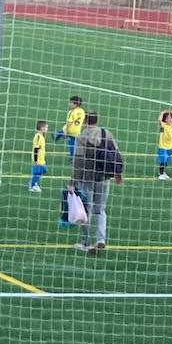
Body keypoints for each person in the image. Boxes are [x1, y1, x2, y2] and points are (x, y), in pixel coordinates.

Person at [72, 110, 123, 255]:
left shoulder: (82, 137)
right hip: (104, 176)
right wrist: (118, 173)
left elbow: (78, 161)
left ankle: (85, 241)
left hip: (87, 177)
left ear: (85, 121)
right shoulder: (106, 133)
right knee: (100, 210)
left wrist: (73, 181)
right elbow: (116, 154)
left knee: (86, 209)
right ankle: (101, 238)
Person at [56, 95, 85, 161]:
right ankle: (58, 134)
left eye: (71, 103)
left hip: (71, 131)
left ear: (75, 104)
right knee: (75, 144)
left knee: (72, 145)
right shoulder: (82, 111)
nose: (69, 104)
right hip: (77, 131)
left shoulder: (72, 112)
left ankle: (72, 158)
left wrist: (66, 132)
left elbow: (69, 123)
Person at [157, 110, 172, 181]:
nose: (169, 120)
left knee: (167, 161)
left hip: (171, 146)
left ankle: (163, 172)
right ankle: (161, 174)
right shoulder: (163, 125)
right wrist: (163, 112)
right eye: (167, 118)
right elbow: (159, 120)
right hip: (163, 146)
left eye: (170, 118)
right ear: (165, 119)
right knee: (163, 160)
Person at [31, 120, 48, 192]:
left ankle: (34, 183)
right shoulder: (38, 137)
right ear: (42, 128)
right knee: (37, 173)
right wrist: (35, 160)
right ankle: (32, 185)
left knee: (44, 170)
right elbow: (36, 149)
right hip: (38, 159)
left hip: (41, 159)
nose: (47, 129)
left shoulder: (41, 136)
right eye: (46, 127)